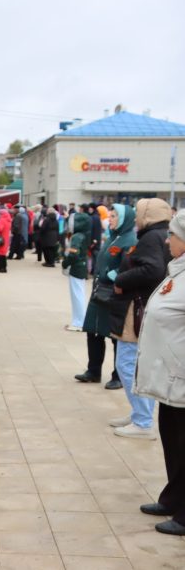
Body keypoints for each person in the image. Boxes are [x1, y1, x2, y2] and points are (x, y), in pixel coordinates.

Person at [134, 208, 185, 535]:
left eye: (174, 235)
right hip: (170, 377)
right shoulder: (178, 269)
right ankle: (173, 497)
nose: (168, 240)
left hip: (182, 375)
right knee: (172, 439)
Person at [107, 198, 171, 439]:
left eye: (139, 213)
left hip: (137, 307)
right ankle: (139, 414)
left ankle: (142, 420)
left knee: (127, 363)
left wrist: (121, 280)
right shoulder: (160, 234)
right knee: (135, 363)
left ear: (148, 215)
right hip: (144, 305)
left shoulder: (151, 237)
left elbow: (152, 269)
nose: (135, 218)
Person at [77, 203, 136, 388]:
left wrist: (113, 275)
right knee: (93, 332)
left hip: (114, 294)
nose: (109, 219)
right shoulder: (112, 238)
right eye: (109, 216)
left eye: (113, 216)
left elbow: (130, 266)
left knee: (114, 336)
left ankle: (118, 376)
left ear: (125, 219)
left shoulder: (130, 240)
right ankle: (93, 371)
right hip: (99, 292)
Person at [61, 211, 90, 332]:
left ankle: (79, 322)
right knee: (79, 294)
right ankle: (79, 321)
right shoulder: (83, 234)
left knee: (77, 295)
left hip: (77, 267)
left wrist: (65, 263)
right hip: (81, 266)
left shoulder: (77, 236)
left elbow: (74, 254)